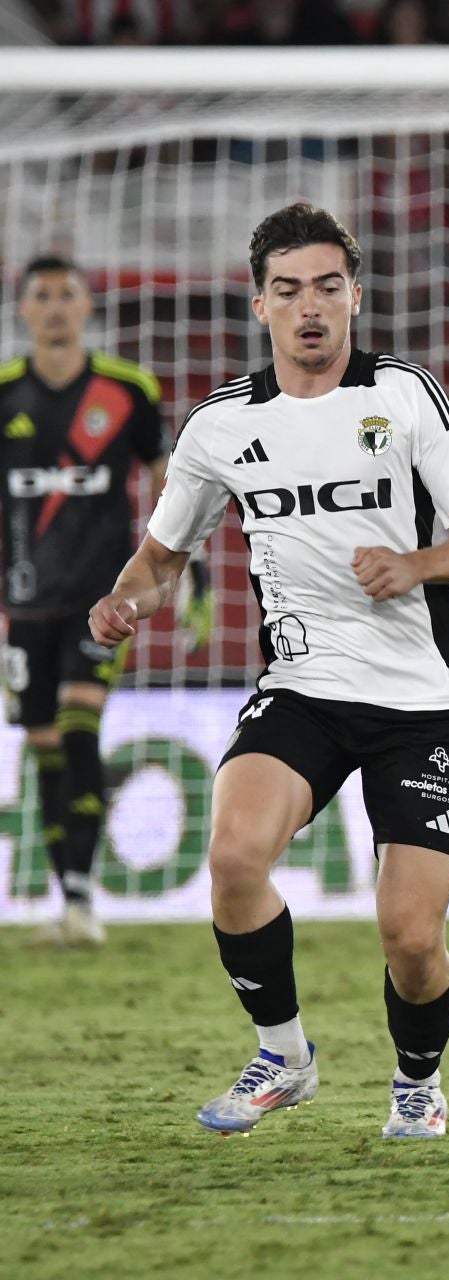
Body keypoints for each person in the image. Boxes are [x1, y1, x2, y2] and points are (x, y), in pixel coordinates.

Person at [88, 203, 449, 1139]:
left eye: (327, 287)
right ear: (260, 305)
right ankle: (283, 1053)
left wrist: (416, 564)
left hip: (419, 701)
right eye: (289, 291)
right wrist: (128, 600)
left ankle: (417, 1078)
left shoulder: (405, 395)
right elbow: (162, 558)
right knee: (235, 858)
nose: (309, 307)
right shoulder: (220, 427)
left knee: (410, 937)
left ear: (355, 296)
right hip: (303, 684)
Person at [2, 255, 192, 948]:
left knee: (80, 725)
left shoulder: (127, 391)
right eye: (41, 296)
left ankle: (82, 906)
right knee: (46, 743)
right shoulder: (4, 395)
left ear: (88, 307)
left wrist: (179, 570)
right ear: (23, 310)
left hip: (101, 600)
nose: (54, 306)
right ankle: (72, 900)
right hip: (21, 603)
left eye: (67, 295)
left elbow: (172, 483)